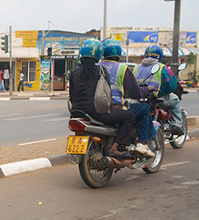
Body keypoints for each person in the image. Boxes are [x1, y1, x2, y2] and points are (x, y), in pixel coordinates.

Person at [69, 39, 137, 167]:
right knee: (129, 117)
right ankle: (115, 148)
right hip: (96, 111)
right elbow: (106, 94)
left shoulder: (74, 73)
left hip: (77, 112)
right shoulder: (100, 71)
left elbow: (72, 96)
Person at [99, 39, 155, 157]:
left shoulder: (96, 66)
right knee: (144, 108)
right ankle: (142, 142)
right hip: (116, 108)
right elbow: (136, 93)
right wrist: (147, 89)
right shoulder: (122, 69)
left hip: (98, 108)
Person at [133, 44, 184, 136]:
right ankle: (177, 125)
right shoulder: (162, 68)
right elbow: (172, 85)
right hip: (157, 98)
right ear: (160, 56)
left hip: (139, 99)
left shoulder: (136, 67)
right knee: (175, 99)